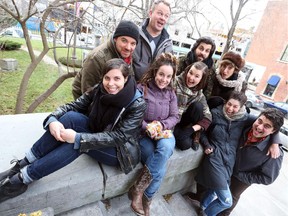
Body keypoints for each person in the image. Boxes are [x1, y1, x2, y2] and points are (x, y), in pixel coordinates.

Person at [0, 59, 146, 203]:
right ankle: (23, 163)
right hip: (98, 131)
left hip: (119, 151)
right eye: (107, 78)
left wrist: (78, 138)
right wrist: (53, 120)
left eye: (117, 79)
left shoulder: (137, 103)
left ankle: (22, 179)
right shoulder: (100, 88)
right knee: (70, 117)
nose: (110, 84)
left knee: (76, 144)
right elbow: (74, 106)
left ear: (126, 79)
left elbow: (119, 137)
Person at [194, 91, 280, 216]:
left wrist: (275, 142)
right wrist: (207, 145)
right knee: (226, 201)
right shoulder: (215, 114)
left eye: (235, 106)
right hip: (215, 157)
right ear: (225, 102)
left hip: (229, 162)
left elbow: (270, 125)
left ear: (241, 108)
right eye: (229, 104)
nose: (230, 109)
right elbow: (202, 132)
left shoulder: (244, 119)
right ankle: (206, 213)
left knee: (214, 191)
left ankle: (202, 207)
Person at [128, 53, 179, 216]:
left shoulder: (171, 93)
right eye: (161, 74)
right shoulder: (141, 89)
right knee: (160, 166)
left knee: (165, 149)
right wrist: (147, 126)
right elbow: (132, 114)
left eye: (168, 76)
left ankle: (138, 190)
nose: (164, 79)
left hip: (164, 132)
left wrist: (161, 125)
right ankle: (147, 198)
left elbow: (175, 116)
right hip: (144, 135)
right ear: (155, 72)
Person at [218, 108, 284, 216]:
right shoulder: (247, 124)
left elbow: (268, 178)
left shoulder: (275, 153)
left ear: (273, 131)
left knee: (230, 198)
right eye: (260, 121)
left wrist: (241, 175)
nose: (259, 127)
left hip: (242, 178)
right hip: (226, 166)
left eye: (267, 126)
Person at [72, 20, 140, 99]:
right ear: (115, 39)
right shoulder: (96, 58)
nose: (128, 47)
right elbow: (88, 93)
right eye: (124, 41)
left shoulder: (127, 55)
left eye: (133, 43)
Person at [173, 61, 212, 151]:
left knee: (198, 107)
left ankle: (195, 134)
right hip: (171, 121)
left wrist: (192, 129)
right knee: (184, 143)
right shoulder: (174, 82)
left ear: (202, 79)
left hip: (184, 124)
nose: (191, 78)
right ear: (187, 71)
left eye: (197, 76)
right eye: (190, 73)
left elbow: (208, 116)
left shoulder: (199, 94)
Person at [133, 0, 173, 81]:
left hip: (154, 90)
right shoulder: (135, 35)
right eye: (160, 13)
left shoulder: (168, 45)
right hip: (133, 86)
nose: (163, 18)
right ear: (150, 13)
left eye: (166, 16)